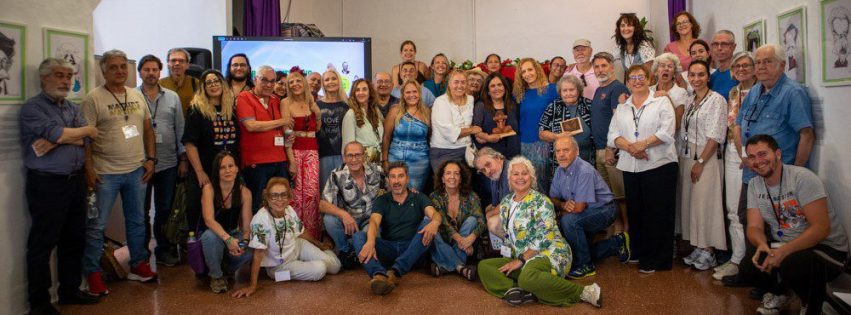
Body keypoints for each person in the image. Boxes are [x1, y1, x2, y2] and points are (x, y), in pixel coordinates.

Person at [725, 44, 814, 287]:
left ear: (782, 65)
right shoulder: (755, 91)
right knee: (749, 222)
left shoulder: (793, 93)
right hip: (752, 175)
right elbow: (739, 124)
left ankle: (772, 284)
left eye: (768, 61)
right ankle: (755, 275)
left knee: (777, 229)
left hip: (778, 177)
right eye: (759, 62)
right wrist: (744, 155)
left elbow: (806, 134)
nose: (761, 66)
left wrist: (795, 173)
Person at [20, 58, 100, 314]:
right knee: (43, 243)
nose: (66, 81)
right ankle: (39, 303)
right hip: (47, 184)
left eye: (68, 76)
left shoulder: (71, 107)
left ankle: (69, 291)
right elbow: (69, 134)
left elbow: (90, 137)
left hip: (75, 180)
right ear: (44, 78)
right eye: (59, 75)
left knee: (74, 238)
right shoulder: (32, 108)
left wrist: (62, 138)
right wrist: (71, 134)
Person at [742, 135, 847, 315]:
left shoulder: (802, 178)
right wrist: (761, 244)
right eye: (751, 157)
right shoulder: (754, 184)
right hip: (787, 243)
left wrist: (783, 251)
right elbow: (754, 227)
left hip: (826, 248)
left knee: (791, 263)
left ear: (777, 154)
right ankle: (780, 292)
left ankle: (812, 303)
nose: (757, 161)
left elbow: (821, 228)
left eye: (762, 154)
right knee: (750, 264)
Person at [477, 157, 602, 308]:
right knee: (485, 267)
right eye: (516, 174)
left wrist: (520, 260)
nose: (520, 177)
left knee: (526, 277)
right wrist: (511, 259)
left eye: (525, 173)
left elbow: (544, 238)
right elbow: (508, 236)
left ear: (531, 177)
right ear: (509, 178)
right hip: (522, 258)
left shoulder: (541, 201)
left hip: (549, 253)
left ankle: (584, 292)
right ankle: (520, 292)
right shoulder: (506, 202)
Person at [82, 49, 158, 295]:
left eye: (123, 66)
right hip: (105, 173)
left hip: (136, 170)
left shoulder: (136, 95)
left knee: (137, 221)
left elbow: (147, 129)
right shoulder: (93, 99)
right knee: (97, 226)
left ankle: (138, 264)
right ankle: (93, 274)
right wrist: (89, 168)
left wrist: (151, 159)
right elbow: (86, 139)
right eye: (113, 67)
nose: (119, 71)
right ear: (103, 70)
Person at [607, 65, 678, 273]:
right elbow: (613, 135)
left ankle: (657, 259)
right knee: (636, 212)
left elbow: (667, 132)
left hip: (659, 164)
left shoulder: (661, 101)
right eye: (632, 78)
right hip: (631, 165)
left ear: (649, 79)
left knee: (658, 213)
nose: (637, 81)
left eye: (641, 77)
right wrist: (631, 147)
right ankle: (639, 251)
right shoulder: (623, 106)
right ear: (627, 82)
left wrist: (642, 145)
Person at [231, 177, 341, 298]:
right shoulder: (260, 220)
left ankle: (319, 255)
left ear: (289, 197)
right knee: (320, 269)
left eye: (283, 195)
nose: (279, 199)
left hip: (296, 246)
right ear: (267, 198)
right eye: (274, 195)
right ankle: (306, 264)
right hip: (277, 267)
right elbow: (258, 254)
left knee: (336, 267)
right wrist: (252, 286)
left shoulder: (289, 210)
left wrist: (320, 245)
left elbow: (301, 232)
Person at [352, 162, 443, 295]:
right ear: (388, 180)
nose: (396, 181)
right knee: (358, 237)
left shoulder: (418, 197)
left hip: (412, 249)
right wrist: (371, 242)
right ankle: (379, 275)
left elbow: (434, 214)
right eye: (392, 177)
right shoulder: (382, 200)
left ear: (407, 178)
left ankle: (395, 272)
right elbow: (374, 222)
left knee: (428, 223)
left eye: (400, 176)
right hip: (388, 249)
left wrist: (435, 222)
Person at [550, 137, 629, 279]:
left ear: (577, 152)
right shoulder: (559, 171)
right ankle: (618, 242)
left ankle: (585, 266)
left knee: (568, 222)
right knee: (579, 252)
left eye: (566, 150)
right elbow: (552, 198)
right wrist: (562, 204)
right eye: (558, 151)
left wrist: (560, 213)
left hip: (605, 210)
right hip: (584, 212)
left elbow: (579, 208)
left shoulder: (584, 170)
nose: (561, 154)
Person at [679, 60, 728, 271]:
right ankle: (699, 246)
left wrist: (700, 162)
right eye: (692, 75)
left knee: (707, 202)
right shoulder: (690, 99)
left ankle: (709, 250)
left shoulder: (717, 100)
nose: (696, 79)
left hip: (707, 157)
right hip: (689, 154)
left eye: (701, 74)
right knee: (694, 204)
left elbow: (715, 136)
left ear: (708, 76)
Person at [136, 54, 186, 266]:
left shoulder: (172, 97)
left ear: (160, 71)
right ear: (140, 72)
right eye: (146, 70)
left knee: (165, 209)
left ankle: (164, 249)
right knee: (141, 211)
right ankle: (141, 252)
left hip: (168, 163)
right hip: (140, 164)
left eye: (154, 70)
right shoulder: (132, 97)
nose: (151, 73)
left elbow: (180, 129)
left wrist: (183, 159)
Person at [714, 51, 757, 281]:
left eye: (746, 65)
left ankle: (752, 263)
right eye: (737, 66)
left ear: (754, 68)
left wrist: (747, 154)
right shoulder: (733, 92)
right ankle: (737, 259)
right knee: (733, 209)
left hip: (755, 155)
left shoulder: (760, 91)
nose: (741, 69)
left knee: (752, 211)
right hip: (733, 150)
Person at [182, 69, 239, 237]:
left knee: (227, 211)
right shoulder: (197, 110)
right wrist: (199, 172)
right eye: (209, 82)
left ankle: (226, 243)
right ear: (203, 87)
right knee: (198, 210)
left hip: (228, 171)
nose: (213, 85)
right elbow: (190, 143)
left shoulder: (231, 108)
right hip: (205, 171)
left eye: (216, 81)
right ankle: (200, 246)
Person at [321, 141, 385, 268]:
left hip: (370, 220)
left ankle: (357, 252)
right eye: (350, 155)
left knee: (371, 238)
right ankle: (346, 251)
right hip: (348, 221)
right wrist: (343, 214)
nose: (354, 159)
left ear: (364, 156)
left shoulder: (377, 171)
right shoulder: (336, 174)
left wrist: (409, 191)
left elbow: (393, 187)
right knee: (329, 219)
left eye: (357, 155)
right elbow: (322, 204)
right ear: (344, 157)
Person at [236, 65, 290, 212]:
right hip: (257, 163)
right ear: (255, 79)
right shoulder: (244, 97)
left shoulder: (276, 100)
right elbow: (251, 126)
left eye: (272, 81)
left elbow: (284, 128)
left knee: (281, 205)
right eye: (264, 80)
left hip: (280, 160)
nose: (269, 85)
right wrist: (282, 121)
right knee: (258, 205)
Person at [199, 151, 253, 293]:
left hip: (233, 233)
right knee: (209, 237)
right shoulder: (209, 189)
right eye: (222, 167)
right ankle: (216, 277)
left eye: (230, 166)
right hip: (215, 233)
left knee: (251, 250)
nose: (227, 170)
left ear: (237, 169)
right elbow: (209, 220)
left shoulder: (245, 192)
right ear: (216, 172)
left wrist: (242, 244)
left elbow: (246, 228)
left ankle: (226, 270)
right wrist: (228, 239)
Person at [590, 52, 630, 234]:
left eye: (604, 66)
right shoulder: (599, 90)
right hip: (600, 151)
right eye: (597, 67)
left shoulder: (618, 88)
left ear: (612, 68)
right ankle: (618, 230)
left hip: (613, 151)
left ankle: (627, 233)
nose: (600, 70)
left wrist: (610, 148)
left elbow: (620, 122)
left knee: (621, 196)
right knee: (610, 196)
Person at [282, 70, 323, 240]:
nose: (295, 84)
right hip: (296, 151)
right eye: (291, 82)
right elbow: (286, 133)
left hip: (312, 150)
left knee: (312, 194)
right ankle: (296, 236)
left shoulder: (311, 101)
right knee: (297, 195)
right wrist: (291, 160)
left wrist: (317, 113)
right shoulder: (285, 102)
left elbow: (317, 128)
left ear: (304, 83)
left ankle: (313, 236)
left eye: (298, 81)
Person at [428, 161, 483, 281]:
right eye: (448, 173)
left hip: (465, 243)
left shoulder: (471, 196)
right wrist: (462, 241)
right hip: (444, 242)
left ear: (461, 178)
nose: (452, 177)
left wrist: (470, 239)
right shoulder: (435, 197)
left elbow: (481, 221)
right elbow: (444, 223)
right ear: (442, 178)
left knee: (472, 220)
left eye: (456, 173)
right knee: (431, 226)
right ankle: (460, 267)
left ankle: (444, 265)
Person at [472, 72, 519, 208]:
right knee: (492, 196)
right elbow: (475, 130)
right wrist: (487, 137)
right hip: (491, 162)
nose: (497, 88)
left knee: (512, 195)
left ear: (505, 87)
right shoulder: (481, 106)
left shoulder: (512, 104)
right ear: (487, 90)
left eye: (499, 85)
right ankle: (491, 219)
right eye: (492, 86)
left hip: (512, 156)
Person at [514, 58, 559, 193]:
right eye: (523, 72)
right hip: (525, 143)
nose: (527, 74)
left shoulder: (552, 89)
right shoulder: (519, 94)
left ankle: (549, 206)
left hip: (546, 142)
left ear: (537, 70)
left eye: (530, 69)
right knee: (530, 182)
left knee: (546, 181)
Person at [382, 79, 431, 191]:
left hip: (419, 161)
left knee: (414, 195)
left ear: (419, 93)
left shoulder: (427, 112)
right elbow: (386, 137)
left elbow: (429, 137)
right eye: (408, 92)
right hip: (395, 157)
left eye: (414, 92)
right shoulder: (395, 110)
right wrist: (384, 160)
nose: (411, 95)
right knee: (394, 192)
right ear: (403, 95)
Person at [538, 75, 594, 172]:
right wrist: (557, 136)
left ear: (578, 90)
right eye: (565, 90)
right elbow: (541, 133)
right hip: (561, 161)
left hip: (587, 158)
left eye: (572, 90)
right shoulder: (553, 107)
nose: (568, 94)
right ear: (560, 92)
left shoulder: (589, 105)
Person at [430, 70, 478, 171]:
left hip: (467, 150)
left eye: (463, 82)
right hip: (444, 151)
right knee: (448, 180)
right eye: (456, 82)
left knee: (468, 181)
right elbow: (449, 132)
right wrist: (472, 130)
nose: (460, 85)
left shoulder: (470, 99)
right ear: (449, 84)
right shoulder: (441, 102)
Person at [473, 147, 511, 250]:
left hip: (528, 210)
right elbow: (495, 204)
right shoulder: (495, 174)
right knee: (487, 210)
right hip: (511, 208)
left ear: (497, 158)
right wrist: (489, 213)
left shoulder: (510, 170)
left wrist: (489, 215)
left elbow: (508, 203)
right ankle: (499, 246)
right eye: (483, 170)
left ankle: (514, 247)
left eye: (488, 164)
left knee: (492, 222)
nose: (488, 171)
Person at [318, 69, 349, 191]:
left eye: (333, 78)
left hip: (343, 155)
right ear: (323, 83)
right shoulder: (316, 105)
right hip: (323, 155)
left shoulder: (347, 105)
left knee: (343, 191)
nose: (330, 82)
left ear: (339, 81)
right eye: (327, 79)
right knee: (326, 191)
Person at [343, 79, 384, 163]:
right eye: (357, 90)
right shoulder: (351, 114)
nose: (361, 93)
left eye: (364, 89)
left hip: (377, 161)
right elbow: (348, 145)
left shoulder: (375, 112)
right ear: (354, 94)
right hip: (359, 162)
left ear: (370, 92)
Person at [650, 53, 688, 131]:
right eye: (662, 66)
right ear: (656, 71)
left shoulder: (681, 93)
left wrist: (668, 98)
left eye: (670, 66)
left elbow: (678, 125)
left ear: (674, 73)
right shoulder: (649, 91)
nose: (666, 69)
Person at [614, 13, 656, 78]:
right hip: (631, 83)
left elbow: (649, 75)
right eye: (622, 26)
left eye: (629, 25)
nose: (626, 29)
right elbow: (610, 61)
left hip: (645, 83)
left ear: (636, 28)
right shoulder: (620, 46)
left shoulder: (644, 46)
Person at [159, 48, 200, 114]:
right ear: (168, 64)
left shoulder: (196, 83)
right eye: (173, 60)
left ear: (187, 65)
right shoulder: (160, 84)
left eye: (181, 61)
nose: (177, 63)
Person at [710, 30, 739, 100]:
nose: (719, 48)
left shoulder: (740, 73)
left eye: (724, 44)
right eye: (715, 44)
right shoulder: (711, 77)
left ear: (733, 47)